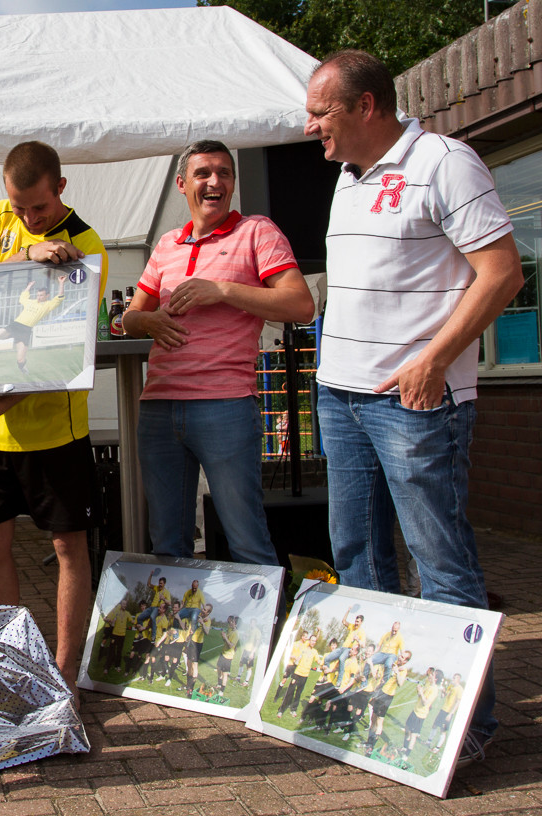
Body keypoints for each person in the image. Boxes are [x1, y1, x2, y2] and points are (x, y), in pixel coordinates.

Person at [306, 49, 524, 765]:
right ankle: (381, 711)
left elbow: (502, 274)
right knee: (358, 556)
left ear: (366, 106)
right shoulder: (347, 176)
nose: (310, 127)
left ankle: (464, 730)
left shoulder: (445, 163)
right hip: (341, 396)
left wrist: (433, 360)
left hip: (414, 404)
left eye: (321, 112)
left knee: (440, 562)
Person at [0, 141, 108, 695]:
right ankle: (9, 662)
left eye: (39, 207)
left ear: (61, 188)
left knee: (68, 548)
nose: (29, 218)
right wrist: (24, 256)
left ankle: (65, 673)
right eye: (20, 208)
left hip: (55, 429)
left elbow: (63, 351)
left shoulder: (87, 246)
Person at [122, 139, 314, 565]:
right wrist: (148, 322)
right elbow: (130, 318)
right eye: (203, 173)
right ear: (182, 184)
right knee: (167, 544)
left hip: (225, 405)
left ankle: (264, 610)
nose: (215, 182)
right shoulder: (167, 244)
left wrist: (223, 290)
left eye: (224, 173)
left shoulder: (257, 231)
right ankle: (180, 614)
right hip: (159, 407)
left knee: (246, 540)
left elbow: (301, 305)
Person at [0, 275, 67, 376]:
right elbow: (23, 297)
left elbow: (59, 297)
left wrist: (61, 283)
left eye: (41, 295)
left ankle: (22, 367)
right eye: (38, 295)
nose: (38, 297)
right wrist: (29, 286)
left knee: (20, 360)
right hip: (16, 325)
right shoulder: (30, 302)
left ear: (47, 296)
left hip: (25, 330)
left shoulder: (48, 305)